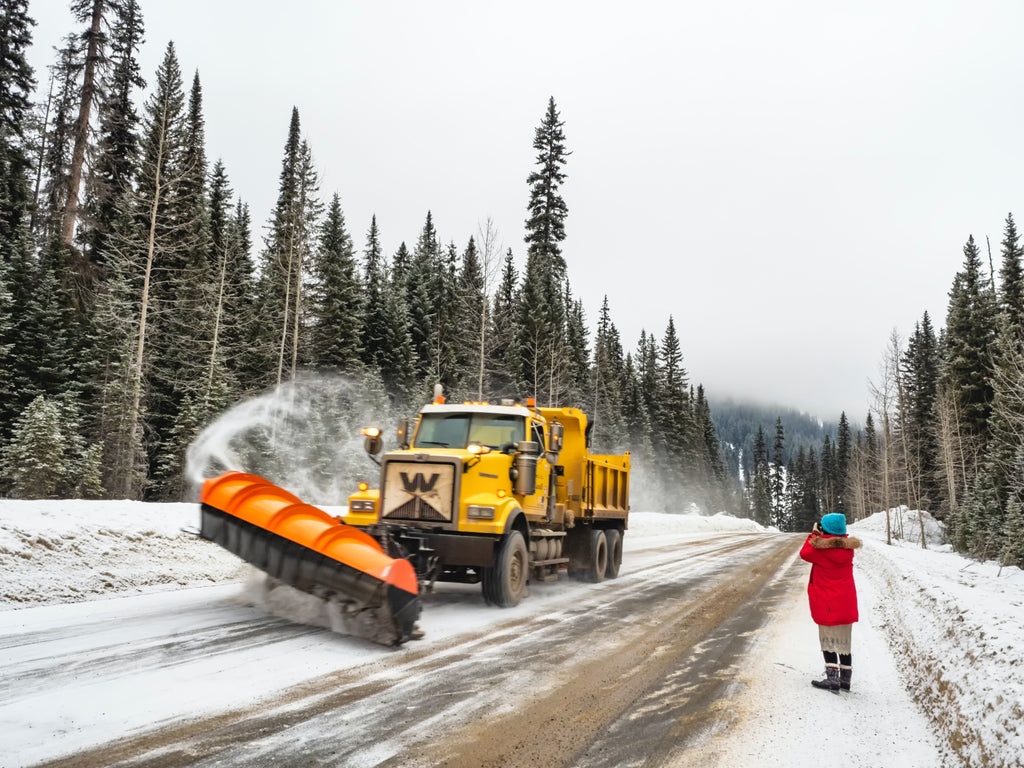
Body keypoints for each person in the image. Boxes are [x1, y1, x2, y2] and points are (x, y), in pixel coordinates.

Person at [799, 512, 862, 693]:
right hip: (845, 603)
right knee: (844, 642)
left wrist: (813, 536)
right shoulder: (848, 549)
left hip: (827, 603)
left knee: (828, 640)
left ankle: (832, 680)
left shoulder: (821, 549)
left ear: (825, 529)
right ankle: (845, 681)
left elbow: (804, 553)